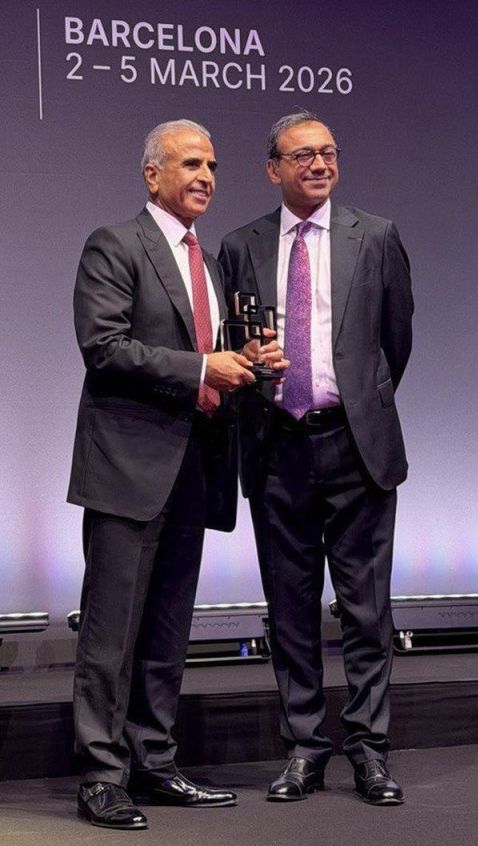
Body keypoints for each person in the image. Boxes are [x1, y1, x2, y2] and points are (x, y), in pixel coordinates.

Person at [67, 119, 282, 830]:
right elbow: (104, 346)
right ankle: (102, 775)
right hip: (127, 468)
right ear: (152, 174)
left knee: (167, 628)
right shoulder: (115, 244)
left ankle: (154, 761)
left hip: (195, 466)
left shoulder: (211, 264)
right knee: (111, 633)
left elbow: (213, 356)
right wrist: (201, 368)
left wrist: (249, 363)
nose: (206, 177)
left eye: (212, 166)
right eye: (191, 164)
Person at [219, 110, 414, 805]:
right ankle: (304, 748)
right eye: (303, 155)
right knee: (291, 608)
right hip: (276, 446)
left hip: (355, 446)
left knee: (366, 608)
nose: (320, 164)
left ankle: (370, 750)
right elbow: (231, 343)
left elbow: (396, 342)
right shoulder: (240, 245)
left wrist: (356, 403)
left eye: (328, 152)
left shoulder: (376, 235)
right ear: (273, 168)